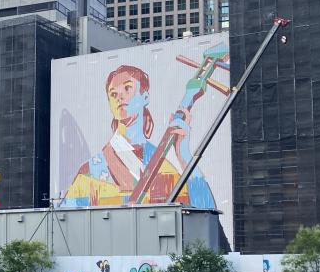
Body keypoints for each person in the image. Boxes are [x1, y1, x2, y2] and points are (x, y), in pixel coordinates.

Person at [63, 63, 214, 208]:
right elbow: (67, 219)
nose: (119, 97)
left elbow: (205, 213)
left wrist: (184, 154)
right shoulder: (90, 171)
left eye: (127, 88)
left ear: (145, 97)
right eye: (113, 94)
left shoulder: (165, 166)